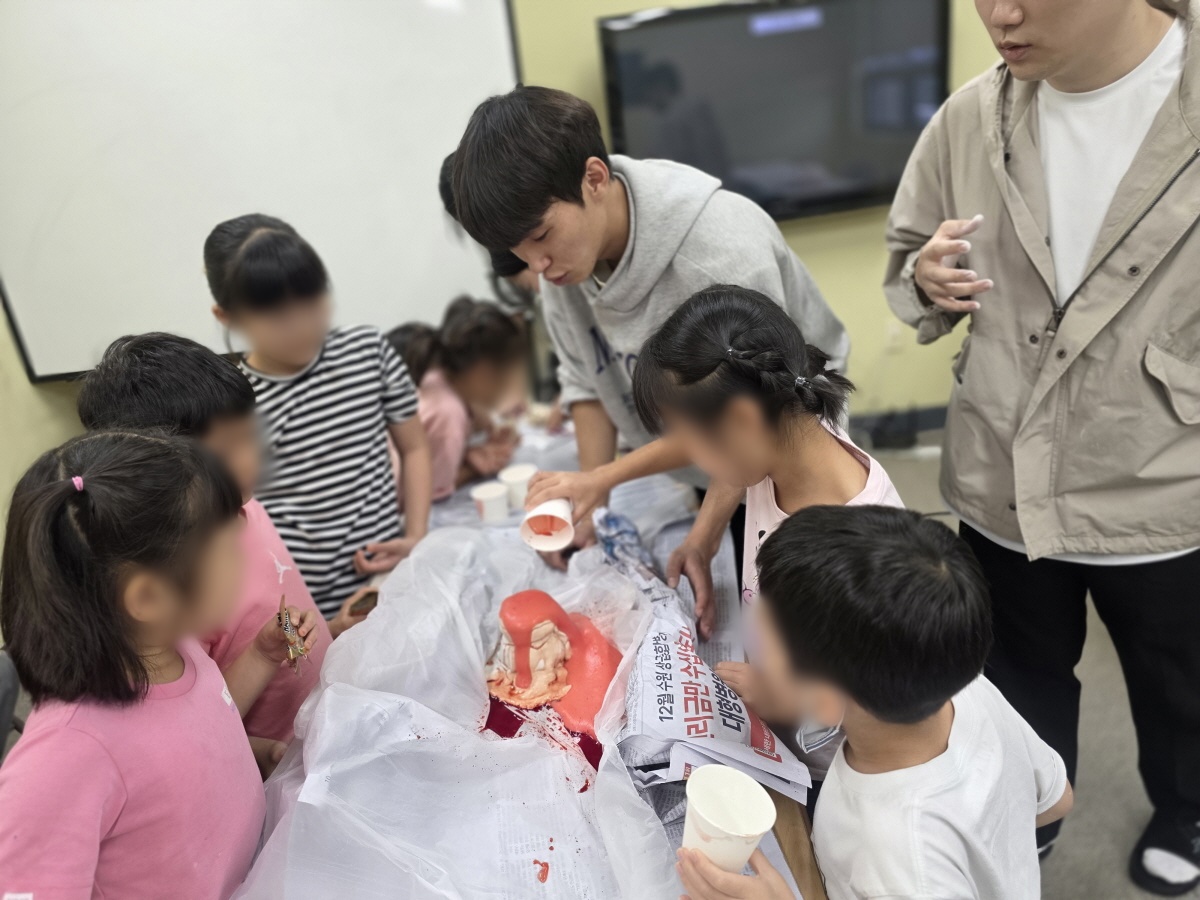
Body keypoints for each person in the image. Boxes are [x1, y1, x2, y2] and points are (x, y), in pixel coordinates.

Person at [884, 0, 1200, 889]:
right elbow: (907, 255)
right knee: (1015, 672)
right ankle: (1032, 803)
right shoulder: (970, 117)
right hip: (1002, 471)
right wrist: (925, 277)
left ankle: (1188, 808)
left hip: (1161, 473)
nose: (1001, 13)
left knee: (1178, 678)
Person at [451, 85, 849, 607]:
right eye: (518, 250)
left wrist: (695, 531)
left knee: (797, 604)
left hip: (778, 453)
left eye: (542, 235)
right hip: (711, 453)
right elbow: (586, 379)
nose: (538, 266)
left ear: (595, 178)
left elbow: (745, 416)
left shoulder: (718, 249)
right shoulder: (563, 267)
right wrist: (589, 502)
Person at [678, 505, 1073, 900]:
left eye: (764, 645)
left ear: (826, 701)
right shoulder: (964, 689)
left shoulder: (899, 863)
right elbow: (1057, 800)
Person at [0, 431, 319, 898]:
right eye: (228, 550)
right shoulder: (69, 752)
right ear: (149, 597)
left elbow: (196, 724)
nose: (246, 557)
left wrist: (260, 657)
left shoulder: (175, 647)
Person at [528, 286, 897, 653]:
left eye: (691, 442)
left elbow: (860, 676)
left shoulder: (847, 553)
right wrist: (601, 480)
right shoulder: (791, 424)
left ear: (740, 422)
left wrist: (773, 686)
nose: (688, 455)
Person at [76, 333, 365, 747]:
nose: (254, 457)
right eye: (230, 449)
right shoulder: (166, 587)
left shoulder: (247, 508)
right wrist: (261, 667)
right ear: (157, 472)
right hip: (280, 754)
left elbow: (265, 618)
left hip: (331, 712)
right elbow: (195, 726)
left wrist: (328, 630)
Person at [204, 213, 433, 618]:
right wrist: (315, 629)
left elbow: (414, 448)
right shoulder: (235, 406)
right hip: (308, 612)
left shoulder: (367, 351)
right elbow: (237, 531)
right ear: (228, 317)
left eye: (312, 302)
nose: (303, 326)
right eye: (277, 315)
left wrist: (416, 535)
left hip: (392, 581)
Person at [386, 297, 526, 500]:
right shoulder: (450, 413)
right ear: (484, 372)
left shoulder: (435, 378)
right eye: (504, 376)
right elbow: (432, 491)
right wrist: (476, 466)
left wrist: (479, 435)